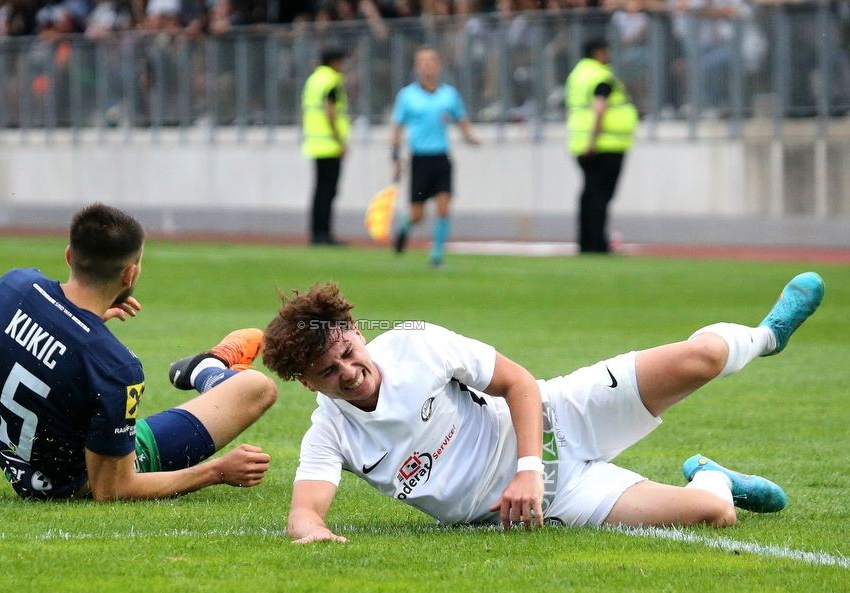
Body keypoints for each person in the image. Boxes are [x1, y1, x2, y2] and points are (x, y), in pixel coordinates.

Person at [260, 273, 825, 543]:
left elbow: (520, 384)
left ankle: (768, 336)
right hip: (557, 500)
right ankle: (712, 477)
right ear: (309, 385)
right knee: (714, 517)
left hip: (558, 416)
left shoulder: (415, 343)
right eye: (328, 374)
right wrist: (313, 532)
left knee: (700, 356)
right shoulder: (329, 432)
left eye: (348, 353)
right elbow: (305, 512)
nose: (349, 373)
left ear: (356, 332)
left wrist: (528, 468)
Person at [0, 203, 276, 501]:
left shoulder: (12, 286)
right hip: (70, 482)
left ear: (68, 256)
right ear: (129, 275)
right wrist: (218, 472)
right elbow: (111, 490)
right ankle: (204, 368)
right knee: (257, 387)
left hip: (17, 464)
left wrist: (85, 327)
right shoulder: (115, 366)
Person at [391, 47, 480, 266]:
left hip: (441, 158)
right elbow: (397, 128)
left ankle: (437, 255)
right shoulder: (407, 96)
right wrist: (395, 158)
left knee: (443, 206)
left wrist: (469, 136)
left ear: (438, 65)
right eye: (423, 61)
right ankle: (404, 227)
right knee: (417, 214)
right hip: (420, 159)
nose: (428, 65)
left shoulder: (449, 95)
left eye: (432, 60)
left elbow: (461, 117)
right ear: (416, 67)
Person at [565, 39, 639, 254]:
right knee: (600, 197)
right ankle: (597, 244)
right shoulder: (601, 76)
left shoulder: (578, 74)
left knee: (588, 194)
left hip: (580, 143)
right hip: (605, 144)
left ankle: (585, 243)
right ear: (599, 52)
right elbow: (600, 108)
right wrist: (593, 140)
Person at [302, 48, 351, 246]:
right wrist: (339, 140)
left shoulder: (313, 80)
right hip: (329, 144)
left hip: (315, 142)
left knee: (319, 191)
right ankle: (324, 235)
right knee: (327, 191)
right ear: (335, 62)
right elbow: (330, 111)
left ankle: (317, 233)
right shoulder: (332, 80)